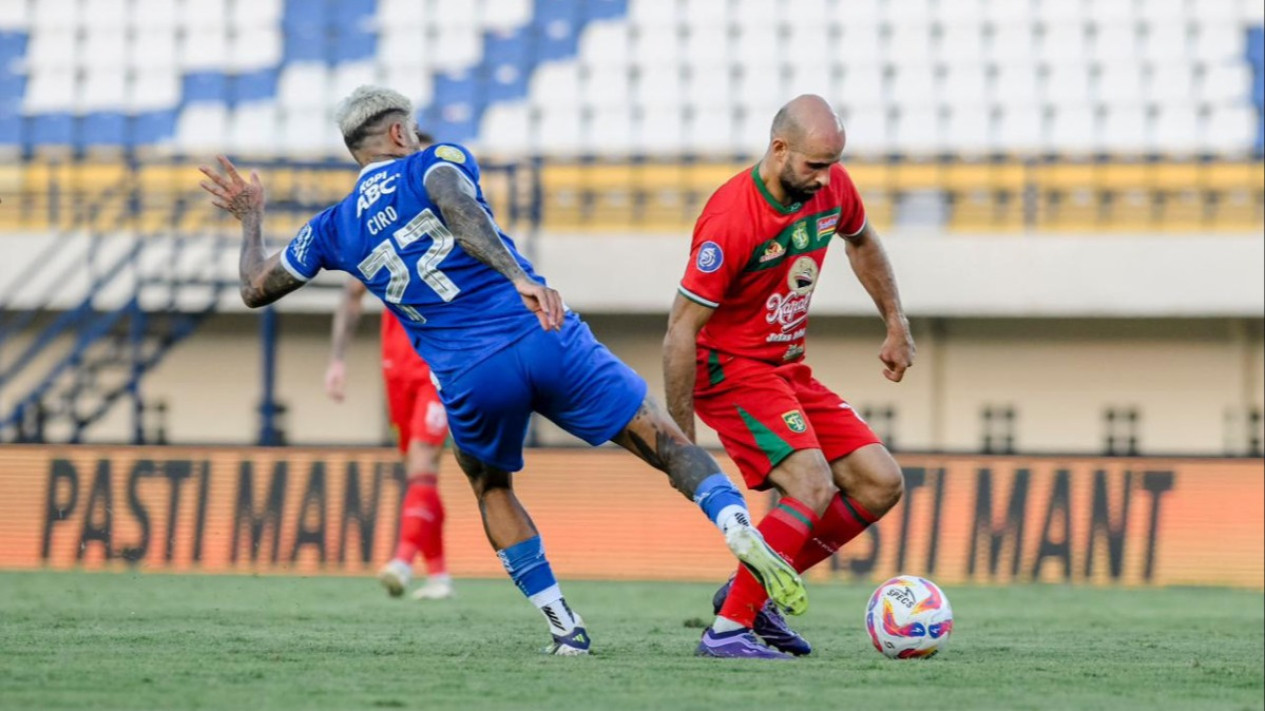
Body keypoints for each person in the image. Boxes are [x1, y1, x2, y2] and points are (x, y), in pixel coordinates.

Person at [198, 85, 806, 656]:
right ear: (401, 131)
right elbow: (455, 203)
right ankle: (732, 524)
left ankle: (564, 626)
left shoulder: (332, 226)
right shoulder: (433, 160)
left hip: (469, 376)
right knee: (666, 443)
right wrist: (517, 277)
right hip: (541, 334)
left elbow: (255, 287)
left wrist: (251, 217)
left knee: (490, 486)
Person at [663, 95, 915, 659]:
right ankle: (728, 631)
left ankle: (753, 592)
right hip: (729, 370)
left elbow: (863, 242)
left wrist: (896, 325)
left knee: (880, 481)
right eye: (816, 166)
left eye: (833, 165)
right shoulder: (731, 218)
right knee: (811, 483)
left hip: (786, 369)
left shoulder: (833, 187)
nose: (827, 179)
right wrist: (681, 445)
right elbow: (680, 330)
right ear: (779, 150)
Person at [325, 278, 453, 601]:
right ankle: (439, 577)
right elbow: (353, 292)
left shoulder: (449, 233)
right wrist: (338, 360)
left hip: (438, 367)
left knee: (423, 459)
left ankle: (403, 562)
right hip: (395, 367)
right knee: (419, 473)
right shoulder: (378, 234)